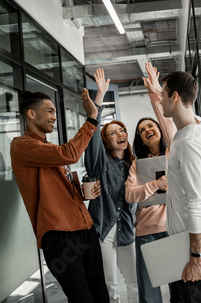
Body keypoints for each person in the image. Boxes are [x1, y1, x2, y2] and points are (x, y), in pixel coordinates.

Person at [10, 90, 109, 303]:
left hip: (85, 229)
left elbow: (58, 183)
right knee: (82, 298)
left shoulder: (49, 148)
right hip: (60, 236)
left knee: (100, 293)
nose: (55, 116)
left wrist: (81, 193)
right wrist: (92, 116)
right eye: (50, 111)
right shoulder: (22, 145)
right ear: (31, 114)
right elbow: (70, 154)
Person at [159, 71, 201, 303]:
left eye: (162, 95)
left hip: (190, 246)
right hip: (184, 243)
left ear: (174, 97)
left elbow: (196, 202)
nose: (160, 99)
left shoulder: (189, 144)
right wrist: (156, 89)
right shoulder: (196, 124)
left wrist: (195, 256)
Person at [124, 62, 177, 303]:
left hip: (173, 228)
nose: (147, 130)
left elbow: (169, 126)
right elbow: (129, 195)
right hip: (145, 232)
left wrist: (154, 94)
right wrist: (155, 185)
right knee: (149, 293)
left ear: (159, 130)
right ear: (142, 141)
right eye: (142, 130)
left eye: (150, 125)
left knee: (180, 287)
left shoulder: (173, 153)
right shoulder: (137, 164)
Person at [85, 68, 138, 303]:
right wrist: (100, 98)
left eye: (122, 130)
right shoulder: (100, 163)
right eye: (113, 132)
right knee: (110, 286)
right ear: (107, 141)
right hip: (103, 230)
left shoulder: (134, 166)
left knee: (134, 283)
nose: (120, 134)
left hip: (127, 229)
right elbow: (92, 134)